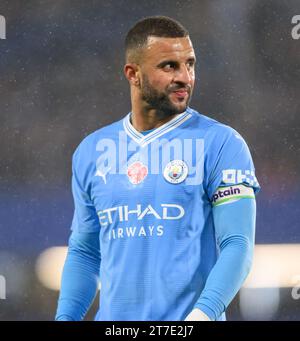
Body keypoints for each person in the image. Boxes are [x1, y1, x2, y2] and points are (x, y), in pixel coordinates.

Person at [55, 16, 260, 321]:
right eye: (169, 66)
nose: (185, 77)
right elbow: (85, 253)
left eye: (190, 64)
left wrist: (201, 317)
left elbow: (237, 245)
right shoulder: (92, 152)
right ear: (133, 74)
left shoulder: (221, 144)